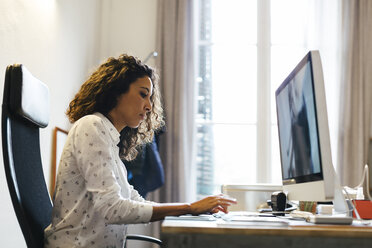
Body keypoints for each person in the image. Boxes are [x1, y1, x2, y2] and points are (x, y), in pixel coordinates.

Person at [44, 54, 236, 248]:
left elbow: (132, 200)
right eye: (143, 94)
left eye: (150, 97)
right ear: (116, 91)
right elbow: (112, 208)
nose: (149, 106)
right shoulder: (91, 126)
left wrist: (192, 208)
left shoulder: (109, 140)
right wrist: (189, 208)